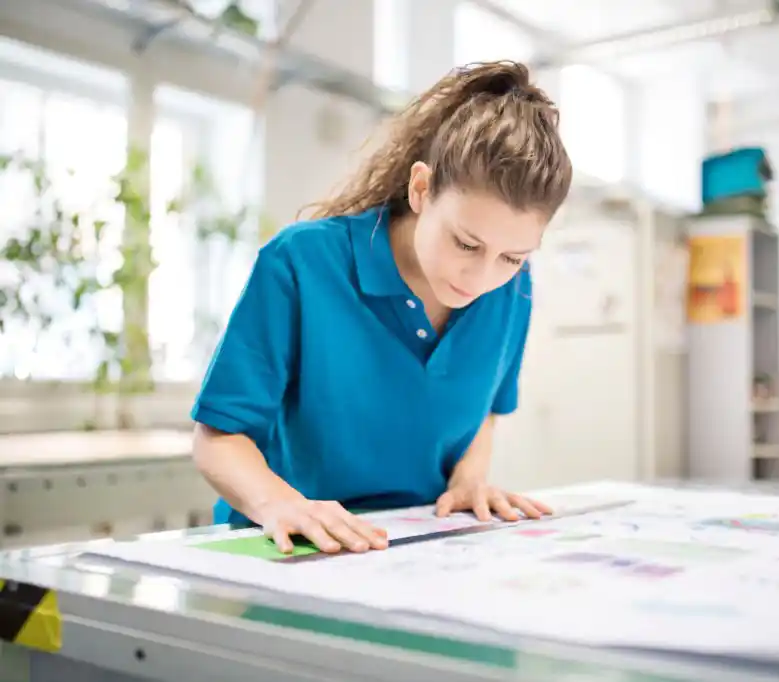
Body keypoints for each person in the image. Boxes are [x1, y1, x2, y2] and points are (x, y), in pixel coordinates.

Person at [190, 61, 573, 555]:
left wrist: (469, 479)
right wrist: (279, 503)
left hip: (411, 548)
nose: (481, 278)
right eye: (464, 243)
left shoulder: (513, 289)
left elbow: (485, 413)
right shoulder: (302, 264)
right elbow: (217, 437)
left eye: (512, 256)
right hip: (288, 548)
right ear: (420, 189)